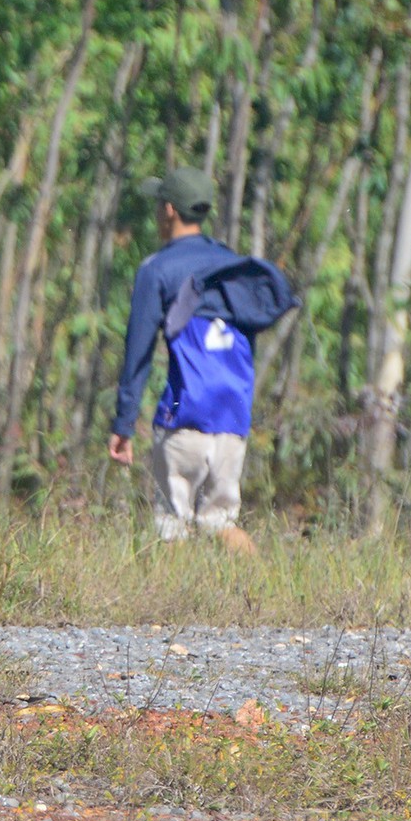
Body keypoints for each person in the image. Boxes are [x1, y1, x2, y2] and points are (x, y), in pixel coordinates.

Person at [107, 166, 294, 542]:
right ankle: (263, 593)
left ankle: (168, 603)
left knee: (171, 526)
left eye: (160, 204)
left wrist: (124, 425)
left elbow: (138, 353)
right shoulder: (231, 265)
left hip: (183, 418)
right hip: (233, 422)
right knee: (221, 524)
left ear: (171, 210)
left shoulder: (157, 269)